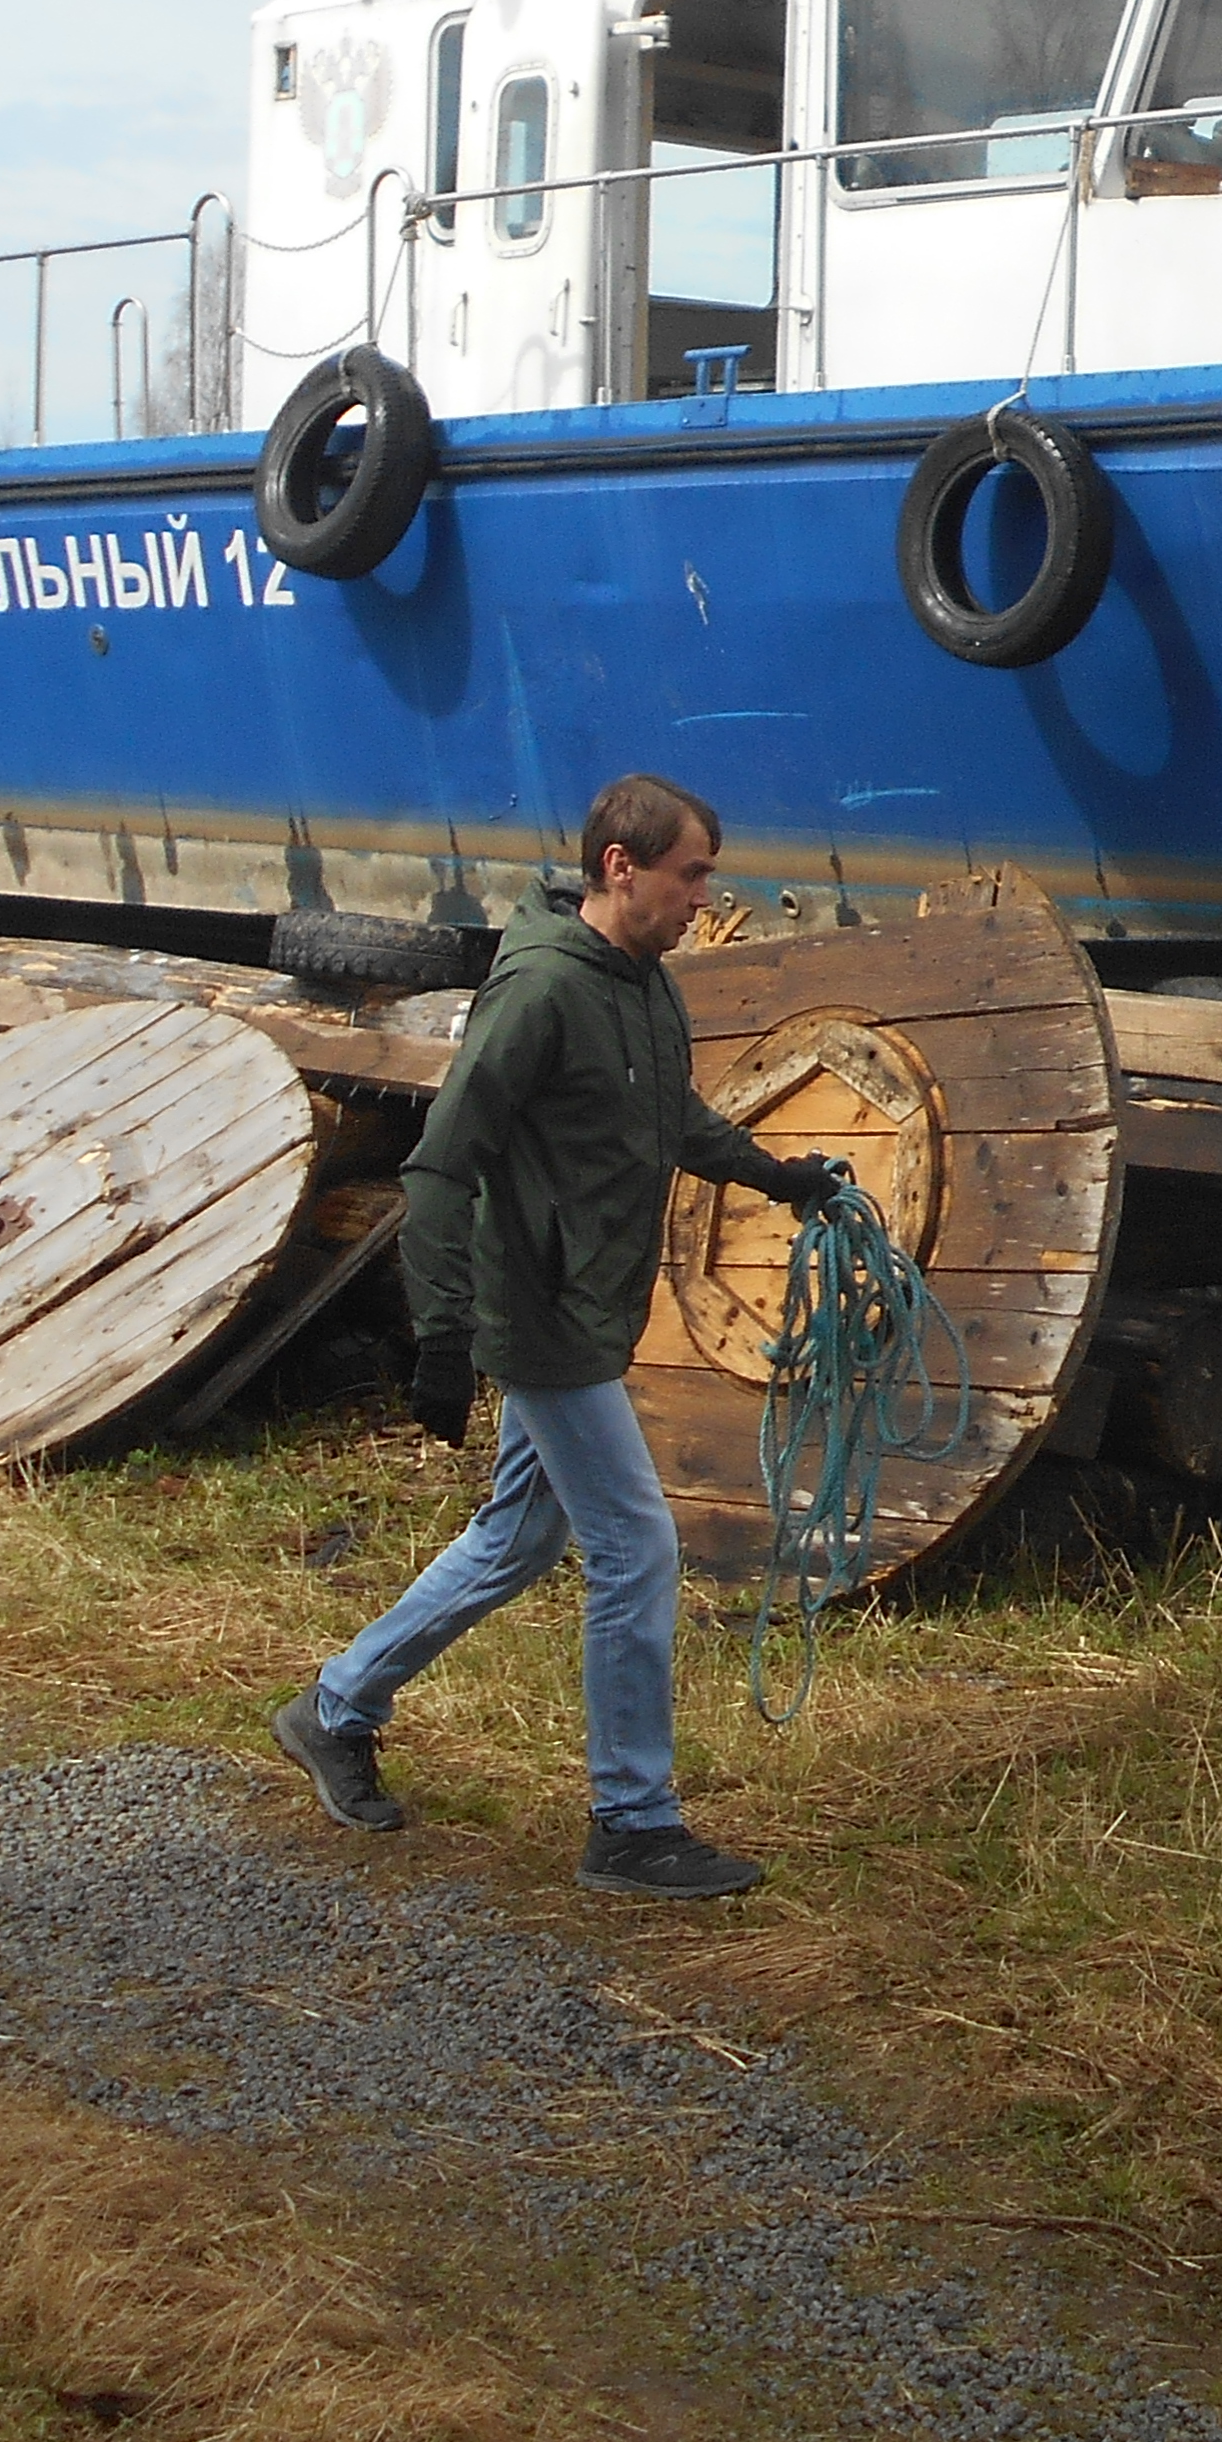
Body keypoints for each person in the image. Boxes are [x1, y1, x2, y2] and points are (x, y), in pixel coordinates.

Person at [271, 771, 846, 1895]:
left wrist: (779, 1178)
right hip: (539, 1319)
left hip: (592, 1306)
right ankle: (631, 1822)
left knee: (517, 1541)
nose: (703, 898)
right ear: (620, 867)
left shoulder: (641, 982)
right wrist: (439, 1338)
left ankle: (334, 1708)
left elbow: (666, 1112)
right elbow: (441, 1166)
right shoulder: (536, 990)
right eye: (690, 875)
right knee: (636, 1550)